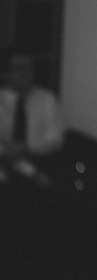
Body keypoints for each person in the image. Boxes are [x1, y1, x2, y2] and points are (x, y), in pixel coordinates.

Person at [0, 46, 64, 185]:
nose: (26, 73)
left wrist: (26, 147)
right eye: (19, 68)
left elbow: (55, 139)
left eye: (29, 67)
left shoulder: (47, 99)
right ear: (4, 73)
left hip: (41, 163)